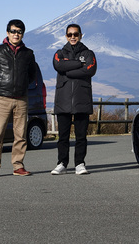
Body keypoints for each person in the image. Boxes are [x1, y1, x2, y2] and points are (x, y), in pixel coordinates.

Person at [0, 19, 37, 178]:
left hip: (21, 99)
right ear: (7, 33)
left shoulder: (28, 53)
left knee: (20, 135)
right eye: (13, 31)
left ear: (23, 34)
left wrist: (22, 86)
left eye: (19, 32)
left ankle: (18, 166)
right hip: (1, 99)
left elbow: (32, 74)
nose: (16, 34)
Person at [51, 24, 97, 175]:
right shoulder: (59, 53)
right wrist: (79, 64)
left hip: (81, 99)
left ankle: (80, 163)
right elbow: (58, 65)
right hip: (63, 100)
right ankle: (62, 163)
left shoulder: (89, 53)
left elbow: (90, 69)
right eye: (70, 34)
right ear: (66, 36)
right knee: (63, 136)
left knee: (81, 136)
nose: (72, 37)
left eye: (75, 34)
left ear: (81, 35)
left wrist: (68, 71)